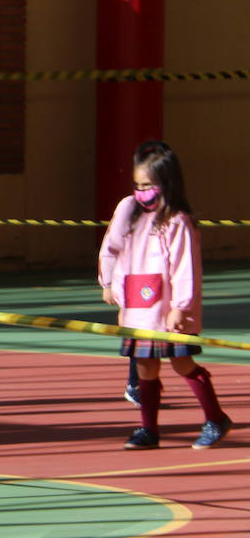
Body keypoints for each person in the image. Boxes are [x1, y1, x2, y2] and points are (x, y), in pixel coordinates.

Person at [98, 140, 231, 450]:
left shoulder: (178, 221)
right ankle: (148, 429)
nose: (142, 191)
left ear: (166, 184)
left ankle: (215, 417)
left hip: (168, 305)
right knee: (144, 366)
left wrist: (180, 307)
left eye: (149, 185)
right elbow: (112, 247)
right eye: (138, 185)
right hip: (138, 304)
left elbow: (185, 267)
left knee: (182, 363)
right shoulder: (128, 210)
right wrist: (110, 285)